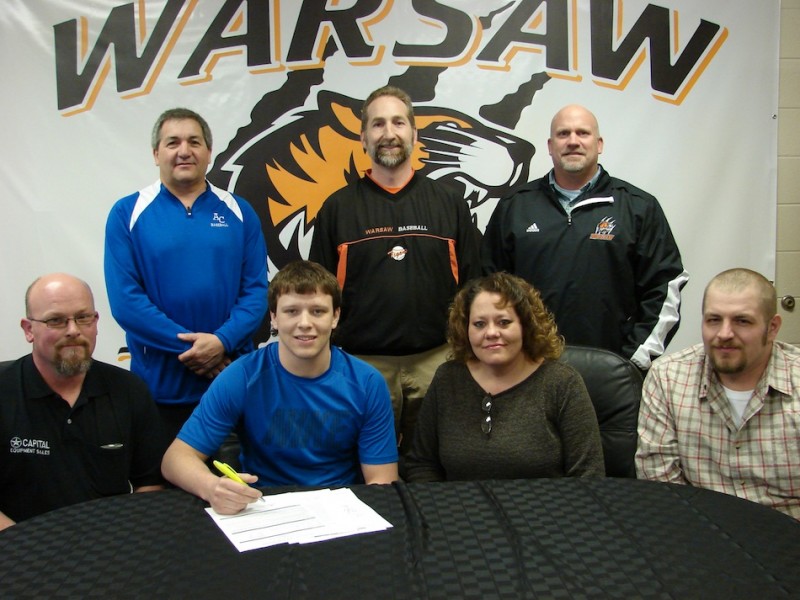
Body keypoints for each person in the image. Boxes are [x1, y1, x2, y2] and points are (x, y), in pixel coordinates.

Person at [309, 85, 481, 454]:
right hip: (360, 367)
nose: (389, 133)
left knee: (436, 465)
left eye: (398, 122)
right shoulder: (337, 208)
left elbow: (475, 286)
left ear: (414, 134)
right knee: (362, 469)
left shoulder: (449, 203)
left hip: (438, 363)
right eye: (378, 124)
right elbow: (315, 294)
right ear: (363, 137)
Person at [161, 260, 399, 514]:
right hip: (262, 507)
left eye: (318, 311)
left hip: (340, 508)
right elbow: (175, 459)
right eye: (292, 311)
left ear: (335, 317)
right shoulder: (242, 376)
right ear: (273, 318)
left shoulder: (367, 383)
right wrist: (211, 487)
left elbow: (381, 481)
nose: (305, 323)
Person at [482, 104, 688, 371]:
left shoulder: (638, 207)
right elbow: (488, 288)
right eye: (563, 134)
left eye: (583, 133)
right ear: (550, 145)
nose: (573, 141)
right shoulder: (515, 207)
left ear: (599, 143)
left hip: (610, 370)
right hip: (528, 369)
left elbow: (665, 285)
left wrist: (633, 359)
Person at [104, 107, 268, 441]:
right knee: (167, 489)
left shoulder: (239, 211)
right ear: (155, 154)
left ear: (208, 152)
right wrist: (195, 350)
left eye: (194, 142)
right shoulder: (126, 213)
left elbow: (256, 292)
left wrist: (221, 341)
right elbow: (126, 302)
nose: (184, 151)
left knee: (240, 488)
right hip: (160, 391)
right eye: (172, 142)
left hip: (231, 382)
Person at [0, 273, 166, 530]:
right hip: (19, 551)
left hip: (110, 545)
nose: (73, 330)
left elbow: (150, 483)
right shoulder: (4, 389)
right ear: (28, 329)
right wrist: (21, 547)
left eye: (83, 317)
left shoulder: (129, 390)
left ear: (96, 321)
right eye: (56, 320)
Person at [405, 272, 605, 482]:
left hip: (543, 511)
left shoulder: (562, 383)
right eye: (479, 324)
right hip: (460, 510)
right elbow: (422, 464)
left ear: (526, 326)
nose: (491, 333)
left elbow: (588, 477)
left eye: (503, 322)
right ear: (465, 330)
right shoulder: (447, 378)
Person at [636, 268, 800, 520]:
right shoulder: (667, 378)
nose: (724, 334)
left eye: (742, 321)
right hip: (701, 534)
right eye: (714, 320)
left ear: (773, 327)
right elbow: (660, 485)